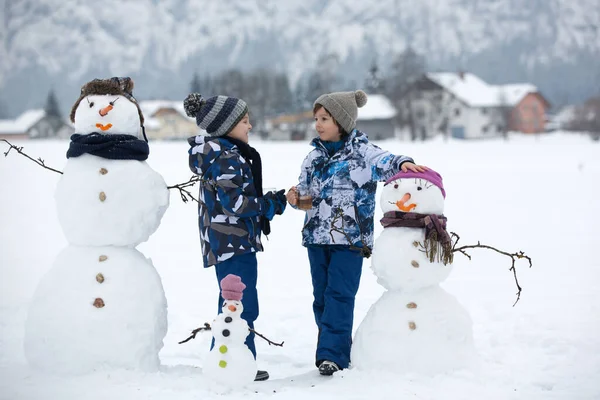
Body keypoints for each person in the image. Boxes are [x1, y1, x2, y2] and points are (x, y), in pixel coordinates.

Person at [286, 90, 428, 375]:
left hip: (350, 240)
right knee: (322, 298)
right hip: (317, 238)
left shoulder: (362, 153)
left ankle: (333, 356)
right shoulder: (313, 158)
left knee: (340, 294)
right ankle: (333, 346)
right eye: (316, 118)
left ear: (341, 120)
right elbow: (305, 194)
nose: (318, 124)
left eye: (325, 118)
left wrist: (402, 163)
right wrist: (295, 197)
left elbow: (385, 161)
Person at [185, 93, 287, 382]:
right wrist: (271, 205)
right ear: (226, 126)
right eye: (244, 121)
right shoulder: (227, 156)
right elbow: (236, 205)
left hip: (226, 242)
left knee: (232, 302)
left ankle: (227, 359)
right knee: (240, 305)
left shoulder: (219, 153)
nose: (250, 126)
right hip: (233, 243)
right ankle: (235, 363)